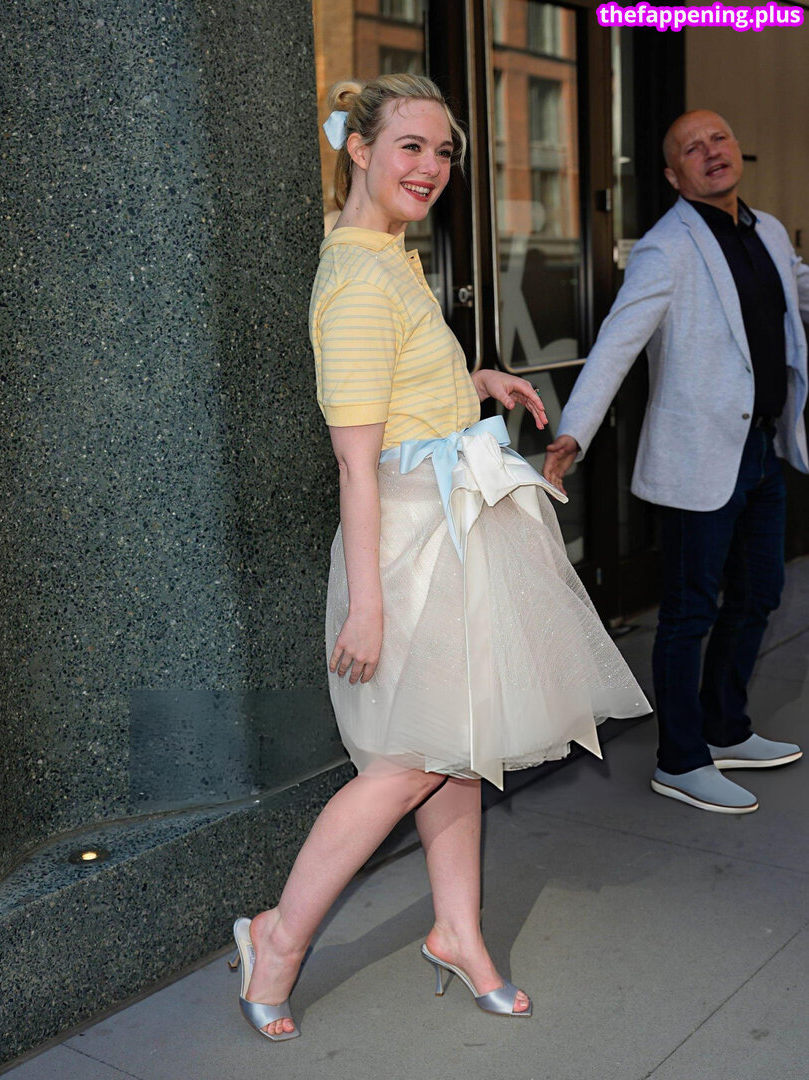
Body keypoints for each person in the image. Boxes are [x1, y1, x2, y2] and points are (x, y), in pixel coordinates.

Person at [230, 74, 649, 1042]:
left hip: (448, 534)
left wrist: (473, 380)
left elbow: (397, 388)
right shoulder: (355, 279)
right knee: (406, 763)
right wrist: (366, 605)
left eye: (444, 151)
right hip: (411, 550)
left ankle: (457, 932)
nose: (430, 167)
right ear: (360, 150)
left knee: (460, 750)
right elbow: (353, 460)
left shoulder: (388, 255)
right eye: (410, 146)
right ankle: (276, 937)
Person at [545, 109, 808, 816]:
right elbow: (616, 343)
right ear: (673, 175)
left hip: (762, 449)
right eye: (692, 149)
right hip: (696, 460)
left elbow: (795, 294)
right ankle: (680, 760)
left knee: (758, 595)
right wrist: (574, 433)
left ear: (737, 149)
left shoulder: (766, 230)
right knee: (689, 612)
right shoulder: (666, 248)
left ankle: (725, 728)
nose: (710, 152)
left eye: (718, 138)